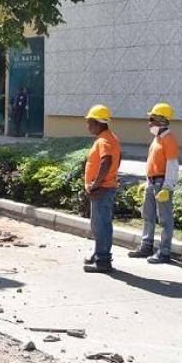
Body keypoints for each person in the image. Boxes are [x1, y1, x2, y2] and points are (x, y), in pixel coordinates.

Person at [129, 102, 180, 264]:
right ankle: (146, 246)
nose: (149, 123)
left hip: (161, 183)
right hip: (152, 183)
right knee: (148, 216)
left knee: (164, 219)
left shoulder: (169, 140)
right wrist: (147, 182)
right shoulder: (157, 139)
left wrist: (167, 186)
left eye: (152, 119)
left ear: (161, 120)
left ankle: (164, 252)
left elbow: (172, 165)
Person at [81, 104, 121, 274]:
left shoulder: (104, 140)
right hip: (105, 186)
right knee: (99, 224)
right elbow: (118, 159)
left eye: (90, 122)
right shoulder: (110, 138)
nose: (88, 125)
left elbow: (107, 162)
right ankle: (99, 254)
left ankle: (103, 261)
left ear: (98, 123)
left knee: (101, 225)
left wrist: (96, 184)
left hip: (102, 189)